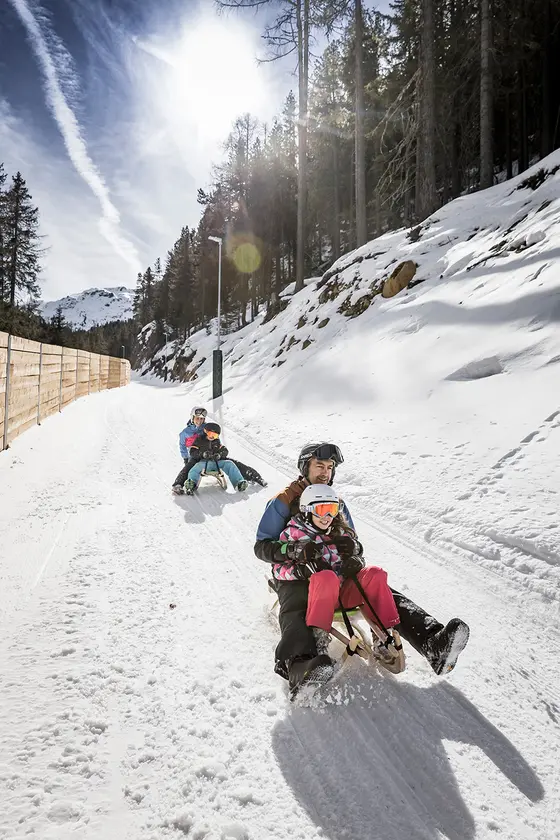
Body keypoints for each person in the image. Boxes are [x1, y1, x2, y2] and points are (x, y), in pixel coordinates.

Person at [255, 442, 470, 692]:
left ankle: (432, 642)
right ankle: (298, 665)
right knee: (296, 600)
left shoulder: (338, 502)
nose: (325, 473)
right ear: (305, 468)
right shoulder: (283, 501)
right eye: (319, 466)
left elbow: (352, 543)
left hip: (333, 572)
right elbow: (262, 547)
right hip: (296, 573)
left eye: (329, 467)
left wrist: (355, 555)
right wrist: (294, 551)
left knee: (376, 586)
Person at [274, 482, 401, 691]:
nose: (328, 516)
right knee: (326, 577)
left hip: (343, 593)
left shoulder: (339, 530)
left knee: (376, 574)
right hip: (314, 597)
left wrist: (355, 560)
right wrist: (302, 571)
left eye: (332, 510)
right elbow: (277, 570)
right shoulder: (293, 534)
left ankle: (383, 635)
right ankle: (318, 643)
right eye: (322, 509)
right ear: (307, 510)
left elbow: (357, 554)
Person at [172, 407, 267, 495]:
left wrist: (219, 453)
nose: (200, 421)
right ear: (192, 418)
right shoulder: (185, 433)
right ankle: (178, 484)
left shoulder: (208, 428)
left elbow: (218, 442)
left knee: (232, 463)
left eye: (202, 419)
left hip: (212, 455)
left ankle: (254, 476)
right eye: (197, 418)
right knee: (189, 467)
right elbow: (182, 446)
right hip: (196, 455)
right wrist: (185, 458)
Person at [184, 422, 248, 494]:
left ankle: (239, 483)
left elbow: (225, 450)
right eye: (210, 434)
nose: (212, 437)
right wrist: (202, 454)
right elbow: (192, 451)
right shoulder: (199, 440)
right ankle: (191, 483)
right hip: (204, 463)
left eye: (215, 435)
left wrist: (220, 454)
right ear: (205, 432)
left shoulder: (217, 442)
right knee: (195, 468)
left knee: (230, 464)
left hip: (217, 463)